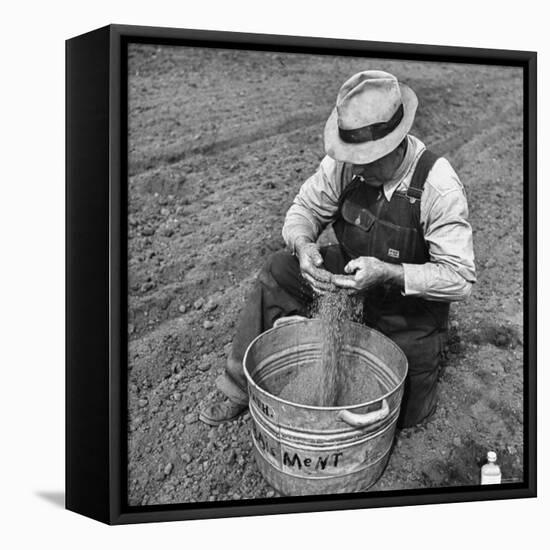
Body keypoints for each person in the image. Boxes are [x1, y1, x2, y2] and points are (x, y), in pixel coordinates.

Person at [199, 70, 476, 428]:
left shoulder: (437, 186)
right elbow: (305, 210)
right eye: (352, 155)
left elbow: (460, 278)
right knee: (278, 270)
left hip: (407, 312)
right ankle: (237, 387)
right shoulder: (346, 166)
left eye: (367, 157)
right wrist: (302, 245)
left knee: (399, 417)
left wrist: (389, 272)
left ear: (396, 142)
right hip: (345, 282)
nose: (356, 166)